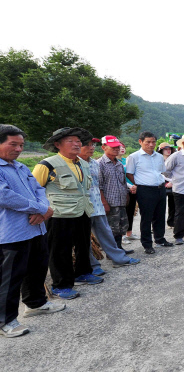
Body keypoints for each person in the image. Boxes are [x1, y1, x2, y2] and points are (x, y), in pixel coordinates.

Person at [0, 125, 65, 337]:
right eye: (13, 144)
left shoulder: (20, 167)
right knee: (9, 279)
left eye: (21, 145)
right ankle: (5, 321)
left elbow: (38, 189)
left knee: (36, 269)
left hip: (36, 229)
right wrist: (41, 209)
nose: (18, 149)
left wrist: (44, 209)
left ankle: (36, 304)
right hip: (12, 232)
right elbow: (5, 196)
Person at [32, 127, 102, 299]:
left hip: (83, 211)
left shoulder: (83, 163)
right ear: (58, 144)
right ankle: (61, 284)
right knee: (59, 250)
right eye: (71, 141)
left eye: (78, 141)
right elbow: (33, 190)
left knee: (83, 243)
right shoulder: (47, 165)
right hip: (59, 214)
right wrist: (39, 210)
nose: (77, 144)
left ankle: (82, 272)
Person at [92, 136, 141, 270]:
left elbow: (122, 182)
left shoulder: (119, 164)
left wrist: (127, 191)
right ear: (103, 147)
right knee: (111, 230)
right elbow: (99, 186)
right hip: (109, 202)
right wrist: (104, 202)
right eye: (112, 147)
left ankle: (119, 249)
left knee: (121, 227)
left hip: (120, 201)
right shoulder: (99, 164)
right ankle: (113, 256)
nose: (116, 149)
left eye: (117, 146)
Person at [125, 131, 174, 254]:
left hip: (160, 188)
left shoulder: (158, 156)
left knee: (160, 215)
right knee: (146, 217)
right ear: (140, 142)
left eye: (153, 142)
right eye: (148, 142)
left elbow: (161, 172)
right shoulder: (134, 157)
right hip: (144, 190)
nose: (151, 144)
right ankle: (147, 244)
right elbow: (129, 173)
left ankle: (160, 239)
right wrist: (138, 184)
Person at [119, 144, 140, 245]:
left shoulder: (126, 160)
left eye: (123, 147)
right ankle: (121, 236)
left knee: (130, 212)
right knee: (122, 214)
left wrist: (134, 185)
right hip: (122, 190)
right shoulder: (114, 161)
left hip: (132, 189)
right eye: (119, 147)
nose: (122, 149)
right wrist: (130, 186)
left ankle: (129, 233)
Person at [157, 142, 176, 228]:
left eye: (169, 149)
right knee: (160, 206)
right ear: (161, 150)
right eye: (166, 149)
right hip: (160, 183)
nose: (168, 151)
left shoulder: (175, 158)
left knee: (173, 205)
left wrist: (172, 182)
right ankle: (157, 224)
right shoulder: (157, 160)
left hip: (173, 183)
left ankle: (171, 222)